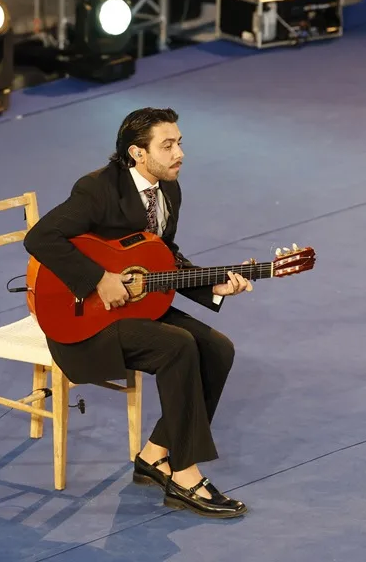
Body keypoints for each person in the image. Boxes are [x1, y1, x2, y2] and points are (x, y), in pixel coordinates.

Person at [23, 107, 253, 518]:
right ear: (137, 153)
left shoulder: (169, 189)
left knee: (218, 348)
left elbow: (163, 259)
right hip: (81, 323)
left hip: (133, 309)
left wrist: (211, 284)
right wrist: (98, 279)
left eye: (179, 142)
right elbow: (41, 237)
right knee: (179, 346)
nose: (178, 152)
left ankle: (155, 454)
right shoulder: (98, 190)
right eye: (167, 146)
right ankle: (184, 474)